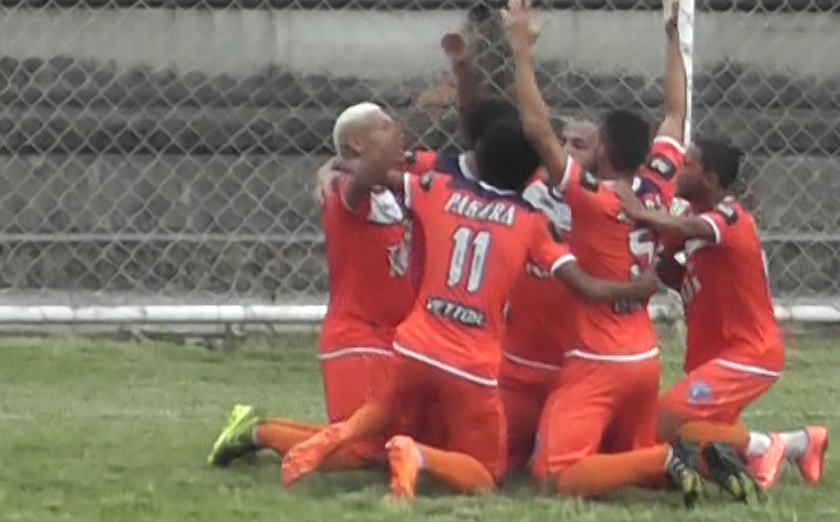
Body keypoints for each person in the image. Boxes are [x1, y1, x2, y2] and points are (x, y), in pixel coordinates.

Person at [280, 121, 696, 502]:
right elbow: (586, 287)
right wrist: (639, 288)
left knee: (389, 408)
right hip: (472, 365)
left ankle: (344, 432)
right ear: (531, 172)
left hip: (415, 344)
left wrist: (336, 166)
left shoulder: (439, 189)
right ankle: (417, 455)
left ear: (478, 159)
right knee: (486, 474)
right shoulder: (529, 221)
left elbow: (374, 175)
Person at [504, 0, 756, 501]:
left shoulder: (593, 199)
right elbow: (675, 112)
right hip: (643, 357)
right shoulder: (658, 184)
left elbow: (537, 129)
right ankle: (705, 457)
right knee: (615, 455)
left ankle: (670, 458)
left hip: (598, 358)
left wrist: (522, 52)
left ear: (601, 152)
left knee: (552, 474)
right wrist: (671, 35)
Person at [206, 102, 418, 471]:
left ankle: (259, 428)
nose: (397, 134)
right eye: (385, 128)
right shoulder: (344, 190)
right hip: (358, 338)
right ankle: (256, 433)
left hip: (392, 337)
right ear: (357, 143)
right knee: (360, 451)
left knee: (384, 442)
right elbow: (360, 176)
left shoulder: (392, 190)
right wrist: (420, 110)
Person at [617, 136, 828, 493]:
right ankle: (802, 443)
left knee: (661, 423)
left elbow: (691, 229)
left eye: (688, 166)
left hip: (748, 354)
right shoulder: (691, 219)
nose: (679, 171)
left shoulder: (730, 217)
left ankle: (769, 446)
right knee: (690, 440)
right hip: (713, 358)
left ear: (710, 180)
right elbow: (671, 261)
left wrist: (639, 211)